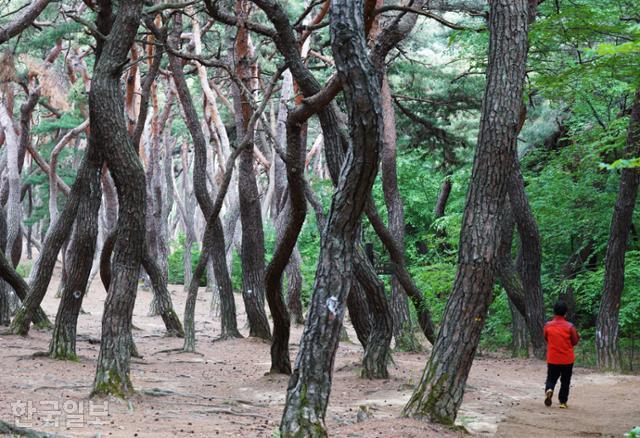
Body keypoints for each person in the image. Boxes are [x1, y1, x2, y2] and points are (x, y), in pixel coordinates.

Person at [543, 301, 580, 408]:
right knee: (565, 381)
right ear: (565, 313)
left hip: (553, 358)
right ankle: (563, 402)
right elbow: (575, 341)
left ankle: (549, 389)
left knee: (551, 378)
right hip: (567, 359)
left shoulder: (548, 326)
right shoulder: (570, 327)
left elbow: (546, 338)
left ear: (554, 312)